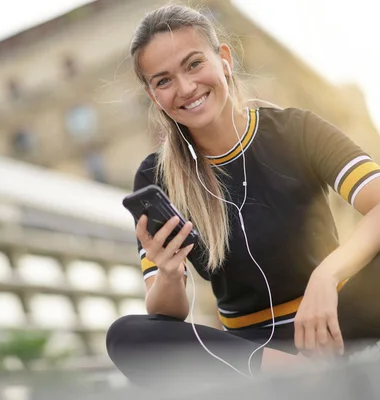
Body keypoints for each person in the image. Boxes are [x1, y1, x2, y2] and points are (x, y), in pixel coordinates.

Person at [106, 3, 380, 387]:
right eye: (163, 81)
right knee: (127, 336)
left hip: (335, 322)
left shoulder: (297, 130)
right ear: (154, 96)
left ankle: (317, 374)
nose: (185, 88)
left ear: (224, 60)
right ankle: (300, 377)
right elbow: (166, 313)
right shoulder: (156, 177)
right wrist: (168, 273)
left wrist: (327, 273)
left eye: (193, 64)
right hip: (251, 353)